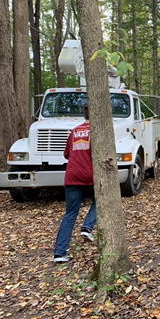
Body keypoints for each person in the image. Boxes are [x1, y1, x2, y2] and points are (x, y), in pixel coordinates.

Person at [53, 106, 96, 263]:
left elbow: (66, 154)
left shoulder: (74, 131)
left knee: (70, 213)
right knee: (102, 200)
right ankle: (87, 227)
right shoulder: (96, 131)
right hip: (89, 175)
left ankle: (59, 253)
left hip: (71, 176)